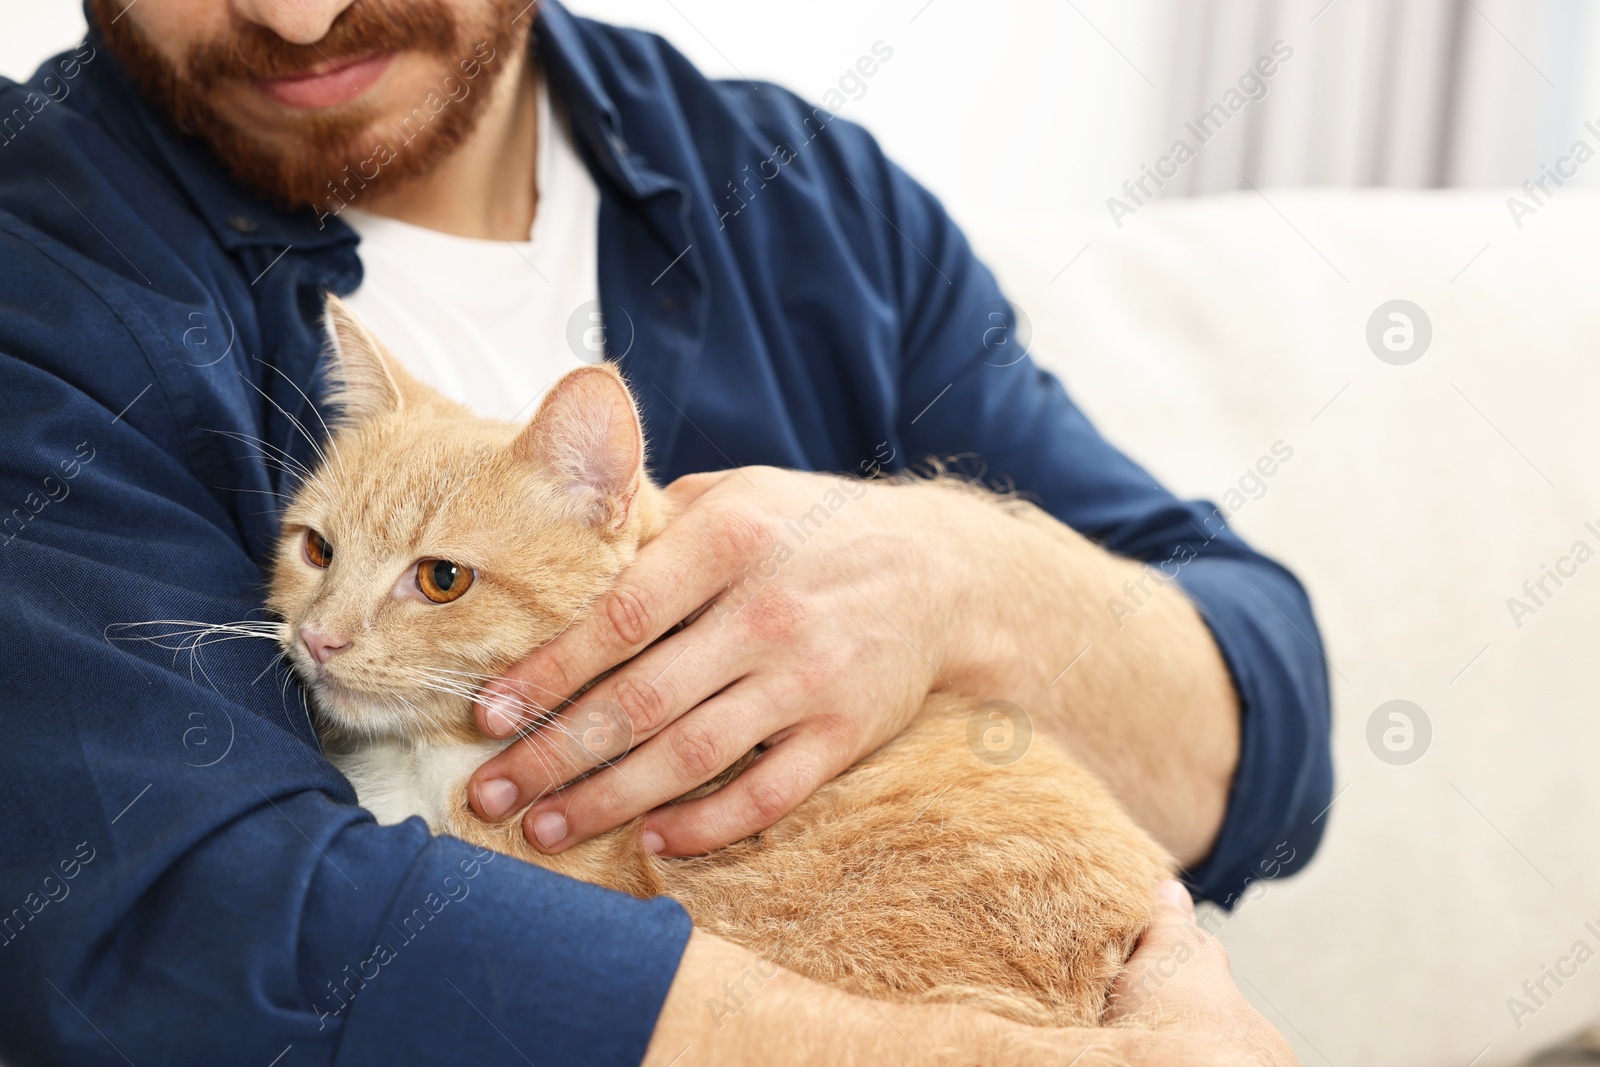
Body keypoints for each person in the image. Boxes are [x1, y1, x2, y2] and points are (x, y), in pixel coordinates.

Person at [0, 0, 1328, 1062]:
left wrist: (964, 580)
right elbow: (174, 928)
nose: (295, 17)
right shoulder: (38, 265)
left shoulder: (816, 198)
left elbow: (1269, 730)